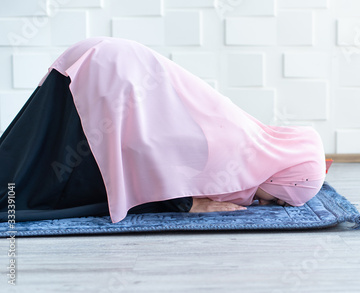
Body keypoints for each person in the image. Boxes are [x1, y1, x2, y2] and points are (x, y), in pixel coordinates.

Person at [0, 37, 326, 223]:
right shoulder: (232, 151)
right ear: (281, 177)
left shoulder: (249, 139)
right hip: (112, 72)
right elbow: (149, 148)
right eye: (279, 201)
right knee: (44, 185)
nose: (266, 206)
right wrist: (185, 204)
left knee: (32, 157)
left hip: (107, 60)